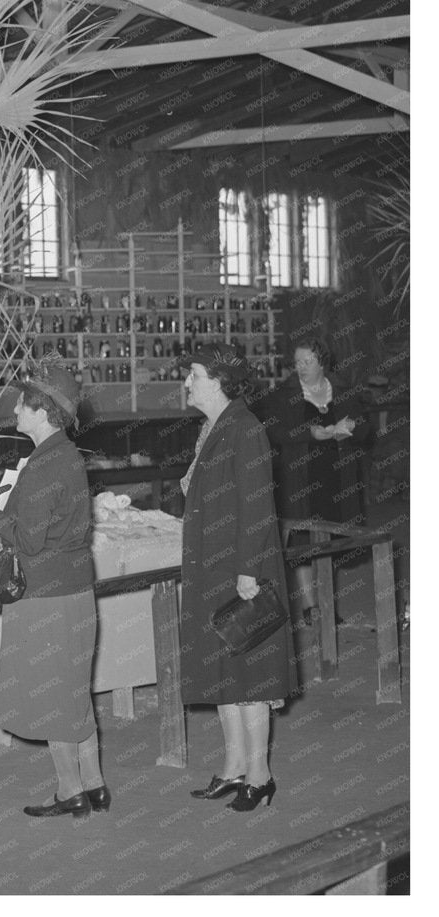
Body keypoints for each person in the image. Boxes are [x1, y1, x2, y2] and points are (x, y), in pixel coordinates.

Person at [0, 361, 108, 819]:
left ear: (42, 409)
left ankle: (70, 790)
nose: (14, 408)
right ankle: (93, 782)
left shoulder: (47, 462)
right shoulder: (63, 455)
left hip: (45, 596)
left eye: (22, 401)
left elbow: (28, 539)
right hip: (74, 589)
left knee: (54, 696)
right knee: (73, 691)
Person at [179, 342, 294, 812]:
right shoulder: (213, 428)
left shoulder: (245, 429)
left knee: (249, 676)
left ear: (221, 381)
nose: (187, 382)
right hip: (212, 566)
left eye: (195, 374)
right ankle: (232, 767)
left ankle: (261, 775)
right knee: (222, 672)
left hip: (240, 569)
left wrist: (249, 572)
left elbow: (257, 505)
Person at [254, 336, 374, 620]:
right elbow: (273, 432)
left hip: (338, 477)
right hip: (300, 479)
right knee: (303, 543)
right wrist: (311, 434)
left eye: (308, 361)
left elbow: (367, 430)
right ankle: (312, 607)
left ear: (323, 362)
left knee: (331, 540)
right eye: (297, 362)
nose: (301, 367)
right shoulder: (283, 395)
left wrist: (352, 427)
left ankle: (327, 603)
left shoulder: (343, 390)